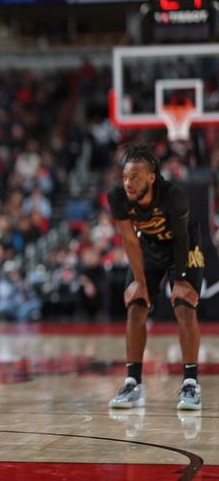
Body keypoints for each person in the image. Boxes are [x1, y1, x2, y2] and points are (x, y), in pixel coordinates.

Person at [107, 143, 202, 410]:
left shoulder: (173, 195)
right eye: (125, 177)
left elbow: (182, 239)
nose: (128, 183)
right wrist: (139, 280)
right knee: (136, 306)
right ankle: (132, 382)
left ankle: (191, 384)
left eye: (134, 177)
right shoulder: (118, 196)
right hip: (148, 245)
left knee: (184, 305)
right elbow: (128, 238)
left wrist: (181, 278)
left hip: (182, 245)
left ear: (151, 177)